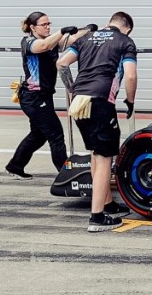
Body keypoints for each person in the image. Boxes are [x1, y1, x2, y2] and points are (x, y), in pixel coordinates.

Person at [57, 11, 138, 233]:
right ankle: (97, 217)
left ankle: (106, 204)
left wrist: (73, 88)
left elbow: (61, 63)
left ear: (107, 23)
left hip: (79, 101)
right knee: (104, 159)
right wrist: (130, 102)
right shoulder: (125, 41)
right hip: (101, 100)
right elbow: (130, 75)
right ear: (127, 28)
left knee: (95, 153)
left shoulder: (86, 38)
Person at [6, 12, 95, 180]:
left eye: (49, 24)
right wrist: (62, 31)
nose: (48, 27)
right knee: (55, 135)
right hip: (33, 98)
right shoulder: (29, 42)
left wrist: (87, 29)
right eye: (44, 24)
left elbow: (70, 40)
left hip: (43, 97)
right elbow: (44, 46)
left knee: (38, 135)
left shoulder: (52, 42)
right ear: (32, 27)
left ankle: (15, 166)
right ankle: (65, 174)